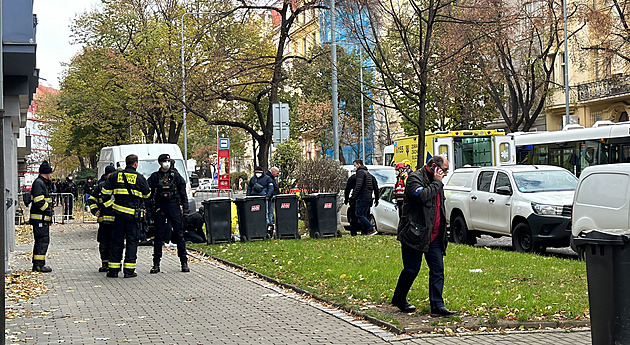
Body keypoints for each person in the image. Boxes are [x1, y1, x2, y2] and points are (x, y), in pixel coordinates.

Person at [391, 155, 457, 316]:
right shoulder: (414, 179)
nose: (446, 174)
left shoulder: (437, 182)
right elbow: (422, 196)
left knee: (437, 270)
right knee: (411, 270)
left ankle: (437, 306)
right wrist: (437, 182)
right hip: (414, 233)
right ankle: (399, 298)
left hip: (434, 235)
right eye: (445, 170)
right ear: (435, 167)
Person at [101, 154, 151, 278]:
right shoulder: (139, 178)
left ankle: (113, 271)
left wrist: (111, 207)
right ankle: (129, 271)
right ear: (135, 164)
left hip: (118, 215)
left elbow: (105, 193)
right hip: (133, 217)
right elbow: (147, 195)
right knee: (132, 242)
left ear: (126, 163)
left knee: (116, 242)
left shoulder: (115, 176)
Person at [148, 153, 190, 274]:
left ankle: (184, 262)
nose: (167, 163)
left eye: (168, 161)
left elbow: (183, 194)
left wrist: (185, 211)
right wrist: (150, 210)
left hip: (173, 206)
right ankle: (156, 264)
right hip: (160, 207)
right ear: (160, 163)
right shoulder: (155, 177)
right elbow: (148, 192)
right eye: (164, 161)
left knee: (179, 235)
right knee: (158, 236)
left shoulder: (176, 176)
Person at [87, 166, 117, 272]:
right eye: (111, 173)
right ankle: (105, 263)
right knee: (104, 243)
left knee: (115, 243)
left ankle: (115, 264)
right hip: (104, 222)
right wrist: (95, 211)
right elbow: (91, 200)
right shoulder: (100, 187)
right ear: (107, 174)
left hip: (116, 221)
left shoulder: (118, 186)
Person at [30, 161, 54, 272]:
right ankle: (39, 265)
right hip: (40, 219)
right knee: (42, 241)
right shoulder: (39, 183)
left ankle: (38, 264)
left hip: (42, 219)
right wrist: (48, 210)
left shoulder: (42, 183)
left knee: (42, 241)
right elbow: (39, 201)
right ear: (46, 173)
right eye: (50, 173)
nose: (51, 175)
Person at [349, 159, 378, 236]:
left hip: (362, 197)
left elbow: (359, 185)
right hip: (368, 197)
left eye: (355, 165)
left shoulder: (360, 172)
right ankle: (366, 232)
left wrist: (353, 196)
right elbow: (375, 188)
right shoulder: (368, 174)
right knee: (364, 215)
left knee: (359, 215)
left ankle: (371, 229)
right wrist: (376, 199)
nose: (354, 167)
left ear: (358, 164)